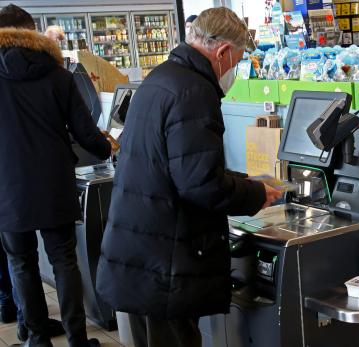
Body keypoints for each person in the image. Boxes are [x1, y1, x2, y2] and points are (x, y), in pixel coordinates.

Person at [96, 7, 282, 347]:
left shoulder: (162, 77)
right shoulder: (195, 92)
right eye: (238, 62)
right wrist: (256, 195)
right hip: (166, 263)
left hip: (140, 252)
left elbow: (176, 163)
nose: (234, 72)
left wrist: (242, 180)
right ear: (223, 52)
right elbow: (201, 184)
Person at [0, 4, 117, 347]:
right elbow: (85, 132)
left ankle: (37, 337)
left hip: (6, 185)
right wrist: (109, 149)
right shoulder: (58, 76)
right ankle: (77, 339)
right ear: (32, 32)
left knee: (21, 263)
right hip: (53, 181)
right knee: (64, 260)